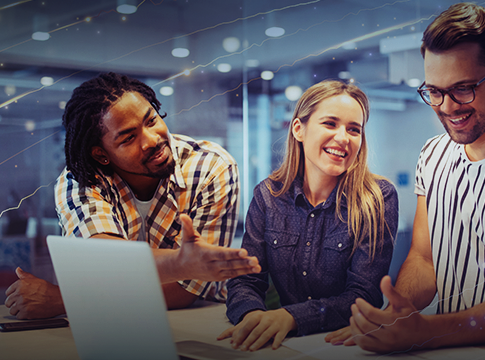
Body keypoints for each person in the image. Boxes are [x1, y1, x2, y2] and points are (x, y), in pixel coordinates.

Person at [325, 3, 485, 352]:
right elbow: (424, 259)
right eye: (434, 91)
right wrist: (394, 315)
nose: (448, 106)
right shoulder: (433, 154)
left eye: (464, 88)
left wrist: (427, 331)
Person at [4, 72, 260, 320]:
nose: (151, 140)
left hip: (196, 321)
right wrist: (182, 263)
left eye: (151, 120)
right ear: (101, 155)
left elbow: (186, 291)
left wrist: (64, 300)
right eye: (128, 138)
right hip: (106, 326)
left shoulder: (211, 167)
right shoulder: (81, 180)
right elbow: (103, 262)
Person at [217, 80, 398, 351]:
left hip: (342, 347)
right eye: (330, 123)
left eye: (354, 129)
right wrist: (252, 317)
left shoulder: (377, 198)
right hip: (281, 346)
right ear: (299, 129)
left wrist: (292, 317)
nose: (343, 138)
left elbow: (364, 296)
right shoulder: (268, 196)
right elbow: (245, 279)